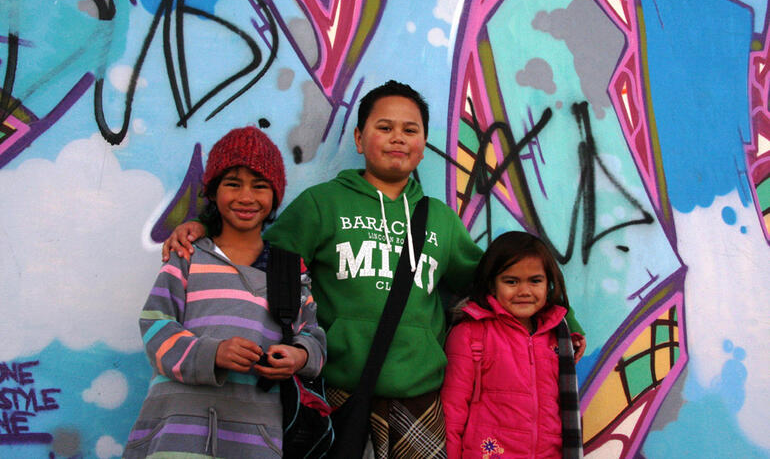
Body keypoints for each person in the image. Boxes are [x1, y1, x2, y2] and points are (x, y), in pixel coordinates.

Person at [162, 80, 584, 458]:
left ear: (422, 143)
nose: (397, 138)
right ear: (361, 139)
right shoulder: (322, 204)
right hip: (338, 391)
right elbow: (257, 252)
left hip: (420, 395)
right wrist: (205, 229)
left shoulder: (438, 219)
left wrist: (562, 322)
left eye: (410, 129)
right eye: (384, 128)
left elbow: (497, 282)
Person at [125, 126, 326, 458]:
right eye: (232, 184)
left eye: (260, 186)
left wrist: (299, 356)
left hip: (254, 436)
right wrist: (212, 354)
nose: (246, 197)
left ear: (275, 195)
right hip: (175, 433)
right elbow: (155, 326)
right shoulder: (187, 256)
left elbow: (313, 335)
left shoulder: (290, 270)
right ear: (213, 192)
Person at [441, 231, 583, 459]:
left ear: (549, 284)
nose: (524, 291)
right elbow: (452, 412)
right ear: (492, 284)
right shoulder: (470, 334)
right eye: (511, 281)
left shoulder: (557, 339)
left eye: (535, 281)